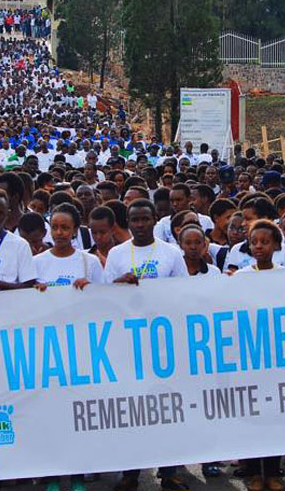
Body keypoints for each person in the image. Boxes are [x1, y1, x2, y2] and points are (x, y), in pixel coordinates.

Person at [104, 199, 189, 491]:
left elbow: (184, 293)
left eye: (144, 219)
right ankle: (131, 474)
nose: (139, 225)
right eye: (134, 220)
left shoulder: (172, 253)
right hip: (129, 344)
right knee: (133, 409)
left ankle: (170, 472)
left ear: (154, 219)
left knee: (167, 408)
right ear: (128, 222)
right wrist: (118, 285)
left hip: (164, 343)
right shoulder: (116, 254)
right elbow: (102, 299)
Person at [232, 219, 285, 491]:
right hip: (249, 356)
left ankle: (273, 471)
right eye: (254, 242)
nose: (259, 246)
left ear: (276, 244)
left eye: (265, 242)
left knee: (275, 415)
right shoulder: (241, 277)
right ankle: (254, 472)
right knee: (252, 415)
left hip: (277, 357)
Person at [34, 203, 104, 291]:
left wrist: (89, 287)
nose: (59, 232)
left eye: (65, 228)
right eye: (54, 227)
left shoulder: (91, 262)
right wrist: (37, 291)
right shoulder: (36, 262)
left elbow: (102, 296)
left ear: (75, 230)